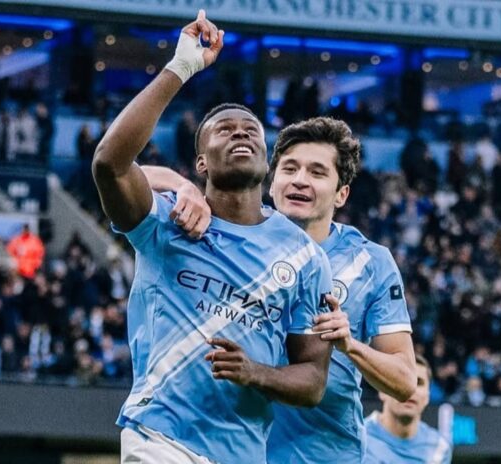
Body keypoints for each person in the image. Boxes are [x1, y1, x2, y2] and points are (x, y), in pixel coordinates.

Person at [91, 11, 333, 464]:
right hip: (160, 438)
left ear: (266, 160)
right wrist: (181, 67)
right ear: (201, 162)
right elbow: (110, 163)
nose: (241, 132)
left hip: (243, 452)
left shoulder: (304, 257)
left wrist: (255, 372)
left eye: (252, 131)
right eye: (224, 130)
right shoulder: (168, 221)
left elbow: (313, 381)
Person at [143, 116, 417, 463]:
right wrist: (184, 187)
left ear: (341, 194)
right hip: (230, 447)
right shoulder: (232, 228)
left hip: (323, 455)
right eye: (289, 168)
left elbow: (405, 380)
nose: (300, 180)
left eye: (317, 172)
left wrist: (350, 346)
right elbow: (121, 174)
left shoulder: (370, 262)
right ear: (271, 182)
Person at [363, 355, 452, 464]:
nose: (410, 390)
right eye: (401, 380)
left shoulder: (439, 448)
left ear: (427, 396)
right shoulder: (357, 438)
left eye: (419, 383)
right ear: (382, 390)